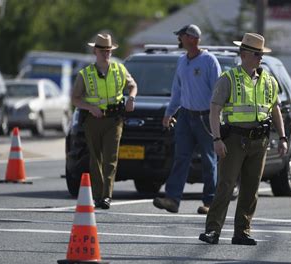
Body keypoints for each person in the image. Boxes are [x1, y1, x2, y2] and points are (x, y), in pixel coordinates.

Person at [199, 33, 288, 245]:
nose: (260, 58)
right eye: (256, 54)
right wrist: (217, 139)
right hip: (234, 141)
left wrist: (283, 137)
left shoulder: (268, 80)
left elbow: (275, 109)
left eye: (261, 54)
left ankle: (242, 232)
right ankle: (213, 230)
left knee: (251, 189)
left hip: (260, 142)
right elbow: (214, 111)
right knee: (226, 185)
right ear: (244, 54)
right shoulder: (229, 79)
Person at [153, 24, 222, 214]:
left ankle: (210, 202)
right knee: (181, 158)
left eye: (182, 36)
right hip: (185, 116)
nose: (179, 39)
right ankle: (172, 199)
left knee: (209, 160)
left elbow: (218, 91)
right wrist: (169, 113)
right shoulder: (182, 61)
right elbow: (177, 90)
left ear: (192, 38)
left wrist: (217, 117)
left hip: (205, 117)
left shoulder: (209, 61)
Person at [71, 33, 137, 209]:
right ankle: (98, 195)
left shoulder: (119, 69)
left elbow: (133, 85)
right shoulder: (85, 74)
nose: (106, 53)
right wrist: (90, 107)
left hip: (114, 119)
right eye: (102, 50)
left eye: (108, 50)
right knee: (95, 158)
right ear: (95, 51)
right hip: (93, 120)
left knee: (111, 158)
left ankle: (106, 196)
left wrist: (131, 98)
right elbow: (75, 99)